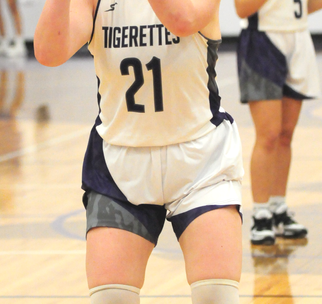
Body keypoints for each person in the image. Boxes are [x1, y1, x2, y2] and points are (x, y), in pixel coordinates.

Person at [35, 0, 244, 303]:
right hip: (121, 162)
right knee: (110, 298)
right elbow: (49, 53)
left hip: (201, 158)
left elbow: (182, 19)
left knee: (215, 295)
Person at [234, 0, 322, 245]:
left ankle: (278, 207)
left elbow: (306, 6)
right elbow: (242, 8)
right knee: (268, 134)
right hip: (262, 41)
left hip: (298, 38)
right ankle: (260, 213)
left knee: (285, 134)